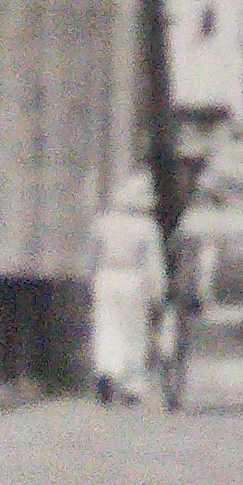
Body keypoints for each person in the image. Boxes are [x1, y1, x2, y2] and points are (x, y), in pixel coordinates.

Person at [86, 170, 164, 404]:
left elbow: (91, 256)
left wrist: (91, 281)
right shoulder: (146, 227)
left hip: (105, 276)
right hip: (133, 278)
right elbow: (153, 263)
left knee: (106, 325)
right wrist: (158, 291)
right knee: (134, 331)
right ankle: (132, 385)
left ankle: (107, 369)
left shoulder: (102, 222)